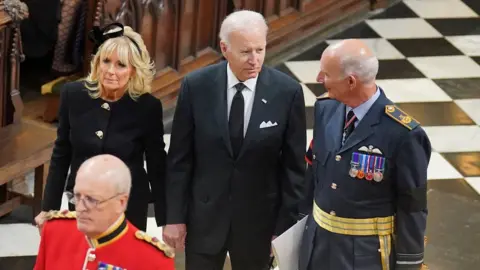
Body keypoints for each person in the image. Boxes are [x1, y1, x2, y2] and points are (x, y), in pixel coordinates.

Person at [163, 10, 307, 270]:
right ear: (224, 48)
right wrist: (174, 217)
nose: (255, 60)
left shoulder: (287, 92)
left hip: (258, 226)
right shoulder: (196, 86)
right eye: (245, 52)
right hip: (204, 221)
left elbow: (294, 169)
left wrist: (284, 228)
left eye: (260, 50)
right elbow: (179, 160)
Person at [299, 39, 432, 270]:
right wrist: (296, 226)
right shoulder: (325, 110)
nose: (320, 79)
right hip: (317, 245)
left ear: (351, 81)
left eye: (326, 74)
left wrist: (410, 264)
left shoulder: (403, 134)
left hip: (365, 255)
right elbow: (314, 173)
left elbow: (413, 206)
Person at [34, 22, 167, 231]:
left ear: (133, 71)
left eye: (121, 65)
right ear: (97, 63)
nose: (111, 71)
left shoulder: (147, 107)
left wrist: (166, 219)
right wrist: (48, 209)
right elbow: (61, 154)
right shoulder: (73, 95)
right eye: (106, 61)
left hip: (128, 206)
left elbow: (157, 166)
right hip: (82, 203)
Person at [34, 154, 175, 270]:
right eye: (77, 196)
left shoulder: (153, 261)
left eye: (92, 200)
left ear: (121, 202)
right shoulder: (55, 231)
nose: (81, 208)